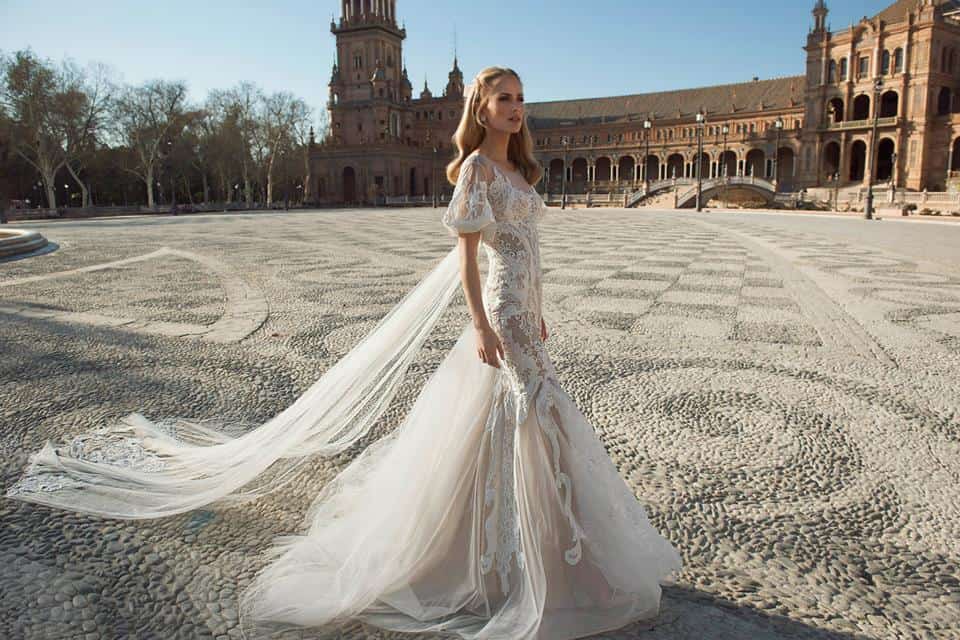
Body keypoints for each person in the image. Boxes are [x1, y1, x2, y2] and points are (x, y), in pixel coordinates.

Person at [6, 67, 682, 640]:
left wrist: (539, 308)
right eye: (503, 98)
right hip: (499, 314)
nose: (515, 107)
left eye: (520, 98)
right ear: (480, 109)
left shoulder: (519, 168)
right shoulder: (477, 168)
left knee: (525, 418)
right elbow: (467, 258)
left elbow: (530, 249)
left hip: (525, 313)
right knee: (529, 412)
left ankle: (537, 546)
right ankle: (506, 554)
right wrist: (481, 323)